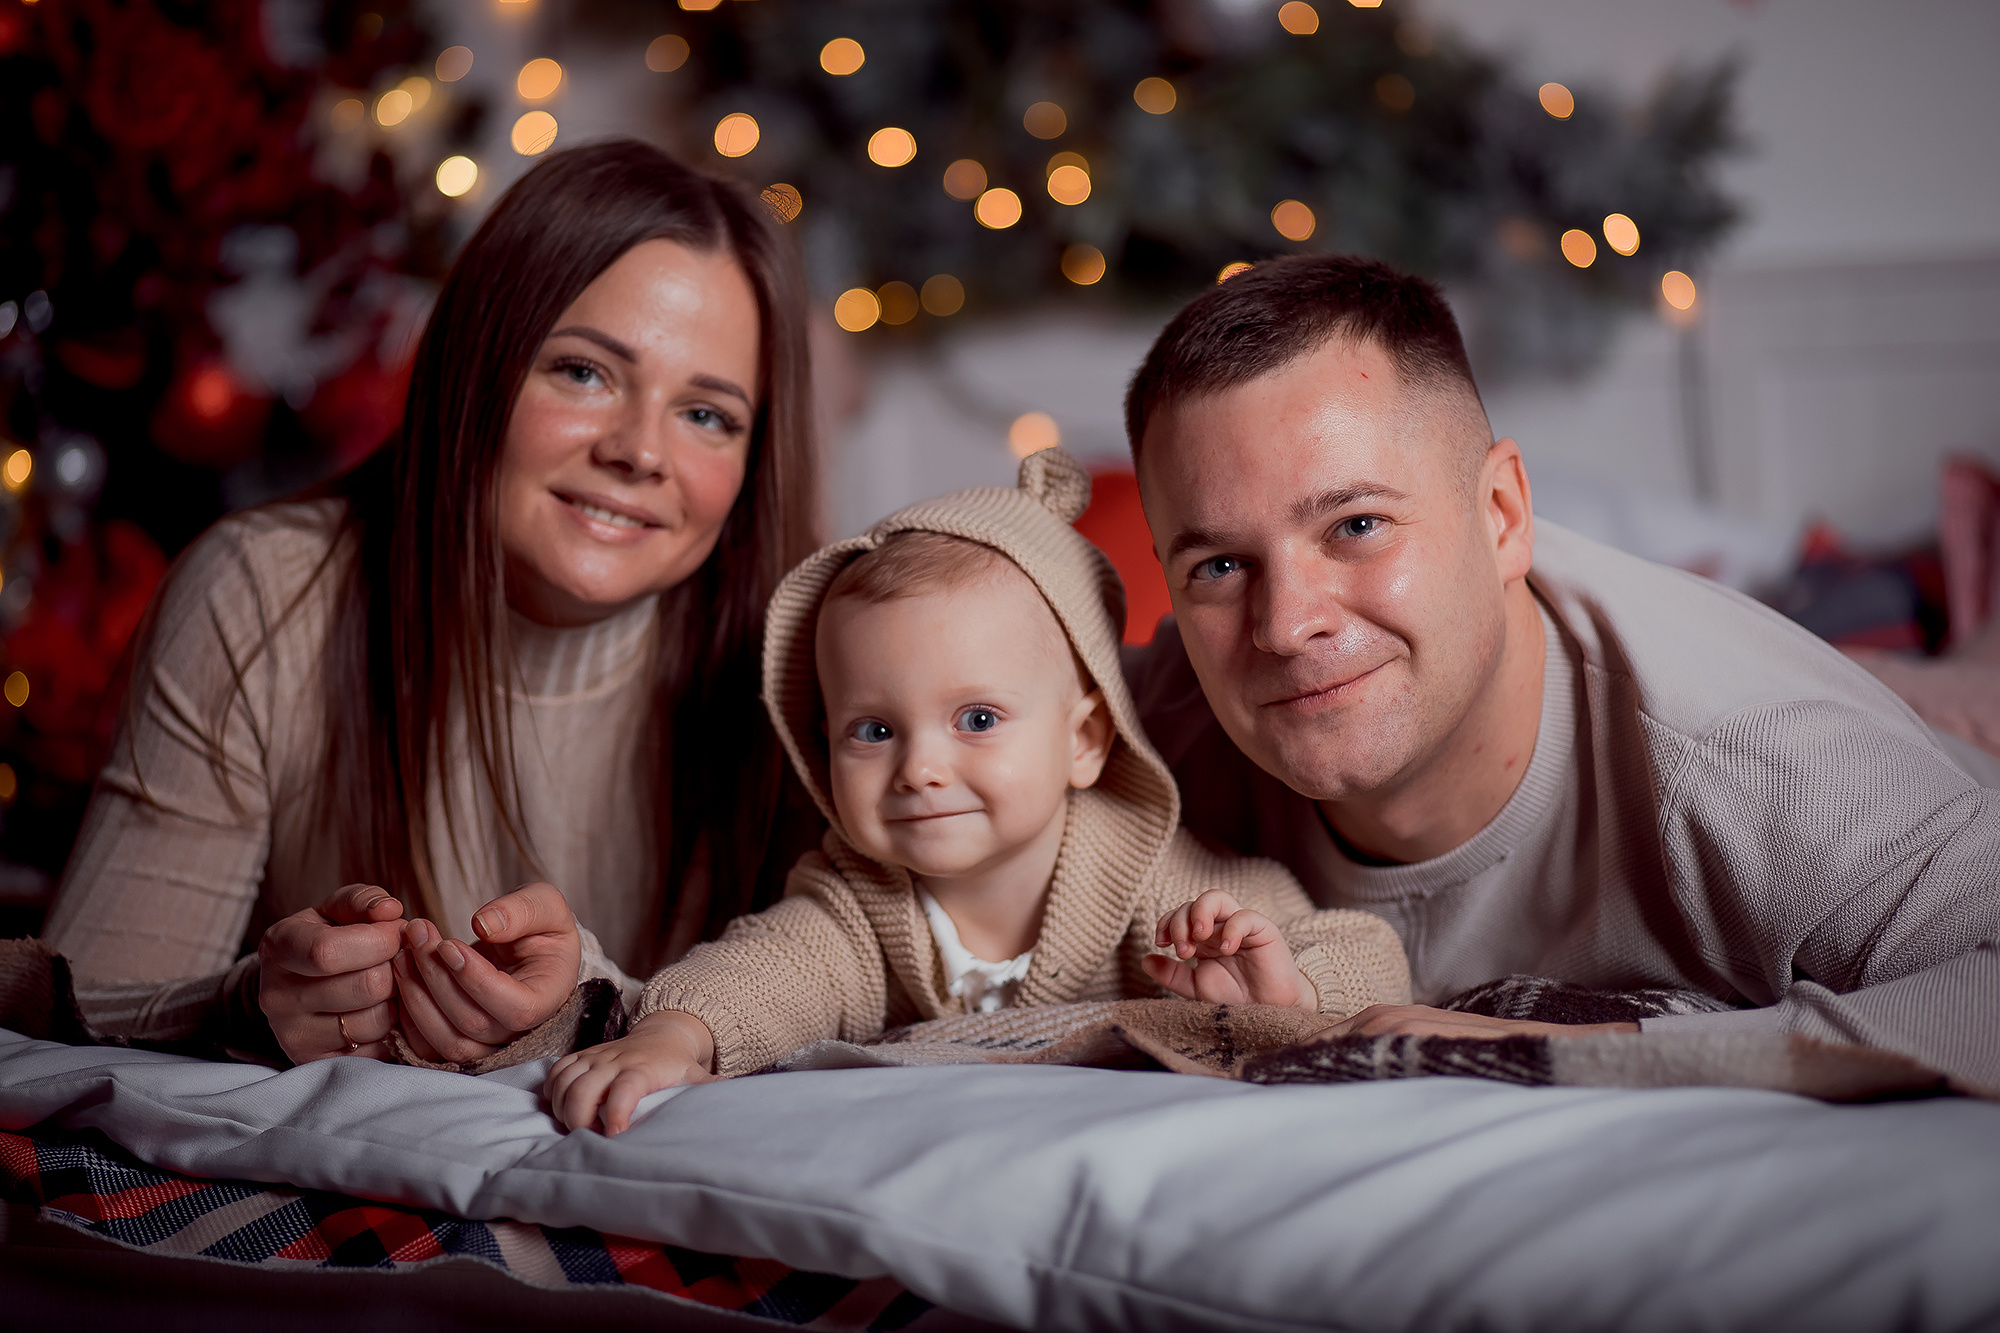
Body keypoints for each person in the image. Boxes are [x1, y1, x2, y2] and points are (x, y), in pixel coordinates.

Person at [1120, 254, 2000, 1086]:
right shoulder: (1136, 736)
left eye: (1356, 526)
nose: (1285, 624)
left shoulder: (1755, 749)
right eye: (1219, 568)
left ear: (1502, 515)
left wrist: (1573, 1048)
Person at [41, 141, 821, 1069]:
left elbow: (881, 994)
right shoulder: (267, 595)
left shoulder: (807, 657)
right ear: (479, 364)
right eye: (583, 371)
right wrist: (247, 1006)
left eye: (708, 415)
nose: (641, 452)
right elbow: (62, 1027)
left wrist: (588, 1014)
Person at [546, 449, 1410, 1134]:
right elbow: (773, 967)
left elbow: (1363, 950)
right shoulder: (862, 895)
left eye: (977, 719)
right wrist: (673, 1033)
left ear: (1082, 739)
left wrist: (1287, 985)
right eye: (874, 731)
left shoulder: (1146, 875)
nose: (919, 768)